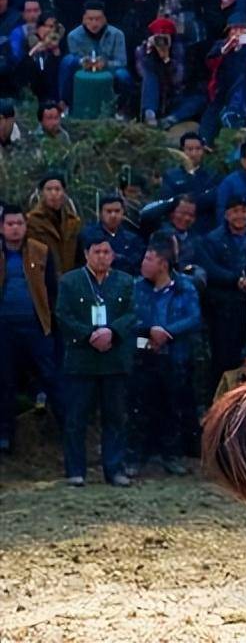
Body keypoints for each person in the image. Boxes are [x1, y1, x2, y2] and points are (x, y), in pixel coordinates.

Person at [57, 235, 136, 487]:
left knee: (115, 416)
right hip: (82, 358)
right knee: (76, 417)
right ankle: (75, 470)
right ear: (87, 254)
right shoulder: (70, 281)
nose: (102, 256)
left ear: (112, 255)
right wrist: (88, 335)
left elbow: (133, 313)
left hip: (114, 358)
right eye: (97, 251)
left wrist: (112, 332)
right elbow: (63, 315)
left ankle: (114, 469)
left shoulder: (125, 281)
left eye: (106, 252)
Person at [128, 236, 201, 476]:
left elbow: (193, 317)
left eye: (149, 259)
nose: (143, 263)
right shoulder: (137, 287)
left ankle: (172, 456)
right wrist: (150, 330)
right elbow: (130, 317)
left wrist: (167, 332)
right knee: (141, 406)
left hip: (175, 357)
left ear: (163, 264)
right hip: (142, 355)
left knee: (173, 406)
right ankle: (137, 457)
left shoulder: (185, 287)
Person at [197, 195, 246, 397]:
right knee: (224, 361)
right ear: (226, 214)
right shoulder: (212, 240)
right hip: (224, 311)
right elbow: (209, 268)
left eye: (244, 211)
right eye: (235, 211)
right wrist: (234, 280)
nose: (240, 216)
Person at [0, 204, 60, 455]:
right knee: (5, 381)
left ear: (26, 226)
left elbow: (52, 290)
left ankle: (66, 432)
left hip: (36, 325)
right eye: (10, 224)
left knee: (52, 376)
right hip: (3, 327)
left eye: (19, 224)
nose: (15, 229)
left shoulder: (40, 251)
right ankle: (5, 436)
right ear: (2, 228)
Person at [160, 132, 219, 233]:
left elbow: (213, 200)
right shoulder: (170, 175)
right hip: (177, 231)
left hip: (205, 231)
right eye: (190, 149)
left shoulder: (213, 176)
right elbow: (169, 203)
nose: (194, 154)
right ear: (182, 151)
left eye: (198, 149)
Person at [26, 174, 82, 274]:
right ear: (42, 193)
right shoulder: (32, 220)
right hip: (44, 276)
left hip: (70, 277)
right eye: (48, 189)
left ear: (64, 192)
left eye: (57, 189)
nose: (53, 193)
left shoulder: (73, 222)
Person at [82, 193, 145, 276]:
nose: (113, 215)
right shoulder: (88, 235)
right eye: (109, 211)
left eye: (117, 211)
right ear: (100, 213)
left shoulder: (133, 238)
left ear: (123, 212)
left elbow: (136, 265)